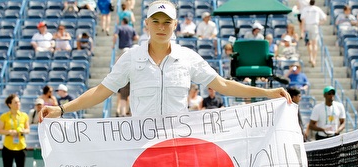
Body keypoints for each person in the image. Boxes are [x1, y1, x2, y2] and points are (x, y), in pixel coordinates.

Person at [39, 0, 291, 122]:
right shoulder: (130, 57)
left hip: (178, 143)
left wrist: (267, 93)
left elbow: (223, 85)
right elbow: (101, 92)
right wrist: (62, 109)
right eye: (156, 21)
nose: (161, 27)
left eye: (167, 22)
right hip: (140, 143)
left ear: (175, 25)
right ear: (146, 24)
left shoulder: (188, 57)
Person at [0, 94, 30, 167]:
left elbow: (28, 129)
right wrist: (9, 132)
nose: (18, 104)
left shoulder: (24, 115)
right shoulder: (4, 116)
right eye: (15, 102)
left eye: (19, 102)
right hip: (8, 147)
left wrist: (22, 131)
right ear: (9, 104)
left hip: (21, 146)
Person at [300, 0, 326, 67]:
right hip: (314, 26)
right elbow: (324, 18)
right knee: (314, 43)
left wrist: (302, 31)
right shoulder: (317, 9)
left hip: (307, 26)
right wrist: (319, 23)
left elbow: (303, 21)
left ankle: (311, 57)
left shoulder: (305, 9)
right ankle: (314, 59)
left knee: (309, 43)